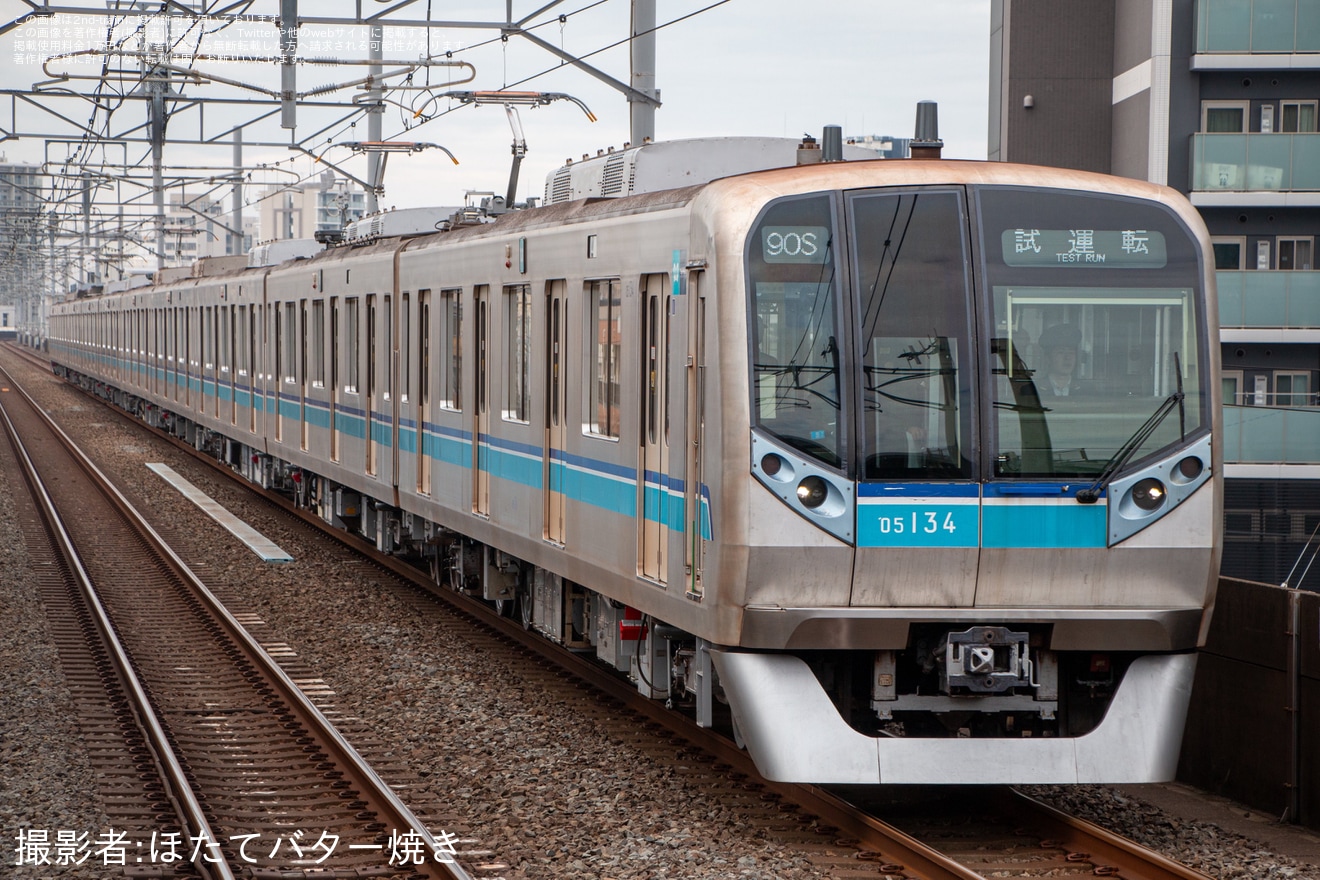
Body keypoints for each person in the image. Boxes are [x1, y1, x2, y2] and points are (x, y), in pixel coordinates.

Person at [1038, 323, 1084, 397]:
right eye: (1061, 352)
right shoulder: (1033, 389)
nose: (1068, 357)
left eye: (1071, 353)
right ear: (1048, 358)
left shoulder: (1086, 390)